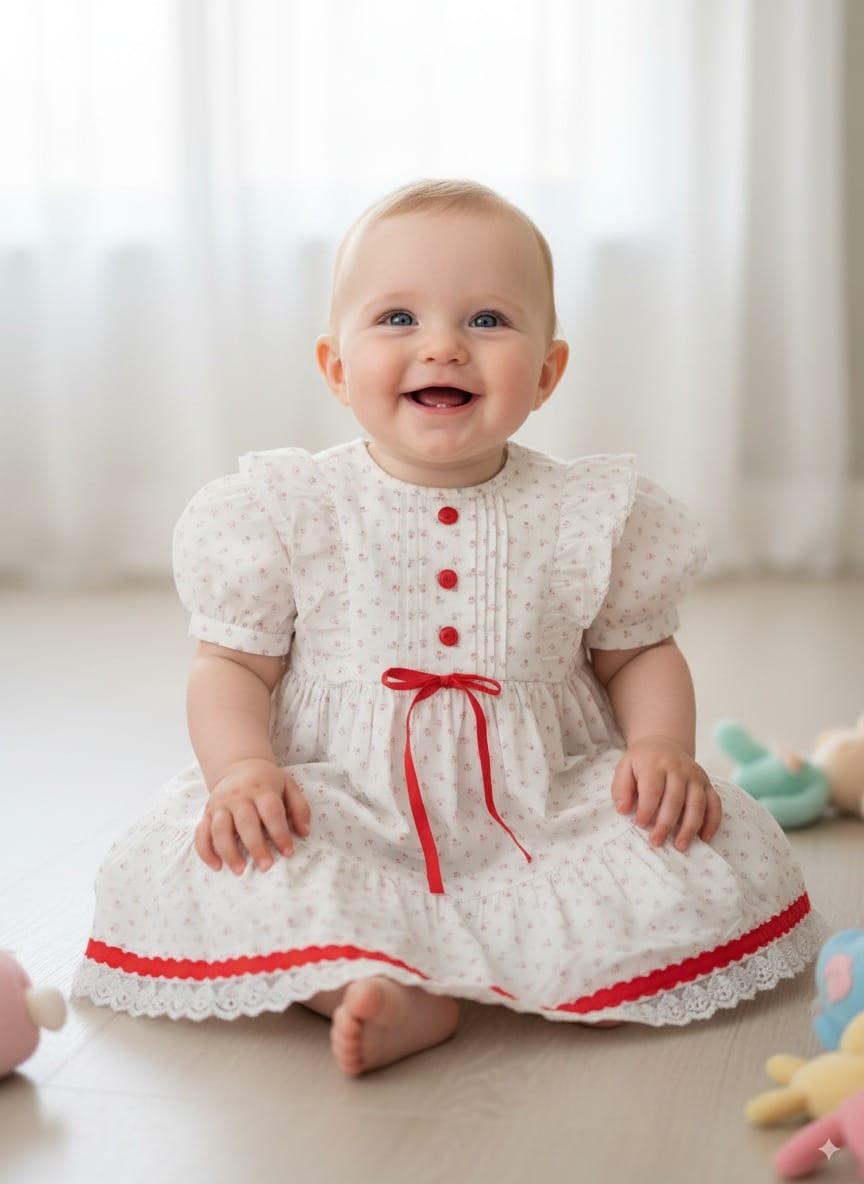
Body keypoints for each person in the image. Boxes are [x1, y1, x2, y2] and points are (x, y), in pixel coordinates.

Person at [71, 178, 829, 1077]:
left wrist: (662, 748)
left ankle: (581, 967)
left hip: (541, 796)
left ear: (547, 372)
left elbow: (640, 652)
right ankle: (377, 986)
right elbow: (229, 664)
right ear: (336, 366)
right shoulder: (289, 510)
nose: (442, 345)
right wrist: (243, 772)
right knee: (252, 863)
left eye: (487, 321)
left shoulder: (588, 512)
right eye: (397, 318)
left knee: (690, 852)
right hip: (342, 795)